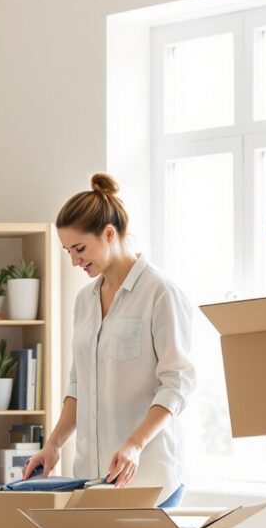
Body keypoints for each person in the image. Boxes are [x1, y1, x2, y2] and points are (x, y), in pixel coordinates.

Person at [23, 173, 197, 507]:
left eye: (79, 248)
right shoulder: (84, 300)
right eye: (67, 251)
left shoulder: (160, 293)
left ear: (108, 234)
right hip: (93, 480)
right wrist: (54, 445)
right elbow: (79, 384)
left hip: (150, 479)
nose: (74, 260)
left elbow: (177, 384)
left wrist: (134, 444)